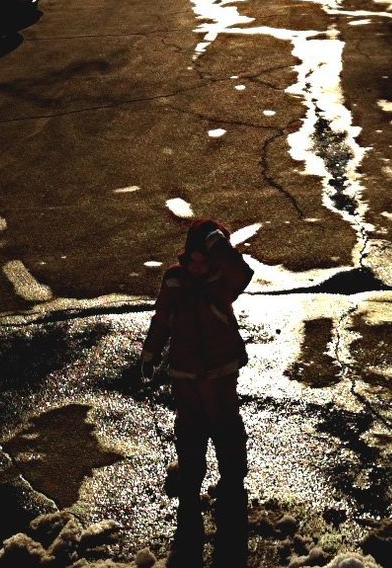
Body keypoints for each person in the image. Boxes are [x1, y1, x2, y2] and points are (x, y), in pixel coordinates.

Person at [141, 218, 254, 564]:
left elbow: (242, 273)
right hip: (186, 372)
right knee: (190, 430)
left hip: (219, 371)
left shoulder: (224, 282)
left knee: (225, 425)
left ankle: (232, 483)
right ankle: (190, 488)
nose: (199, 267)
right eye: (194, 259)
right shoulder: (174, 281)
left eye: (206, 261)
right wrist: (151, 350)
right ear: (186, 257)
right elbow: (161, 318)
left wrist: (217, 243)